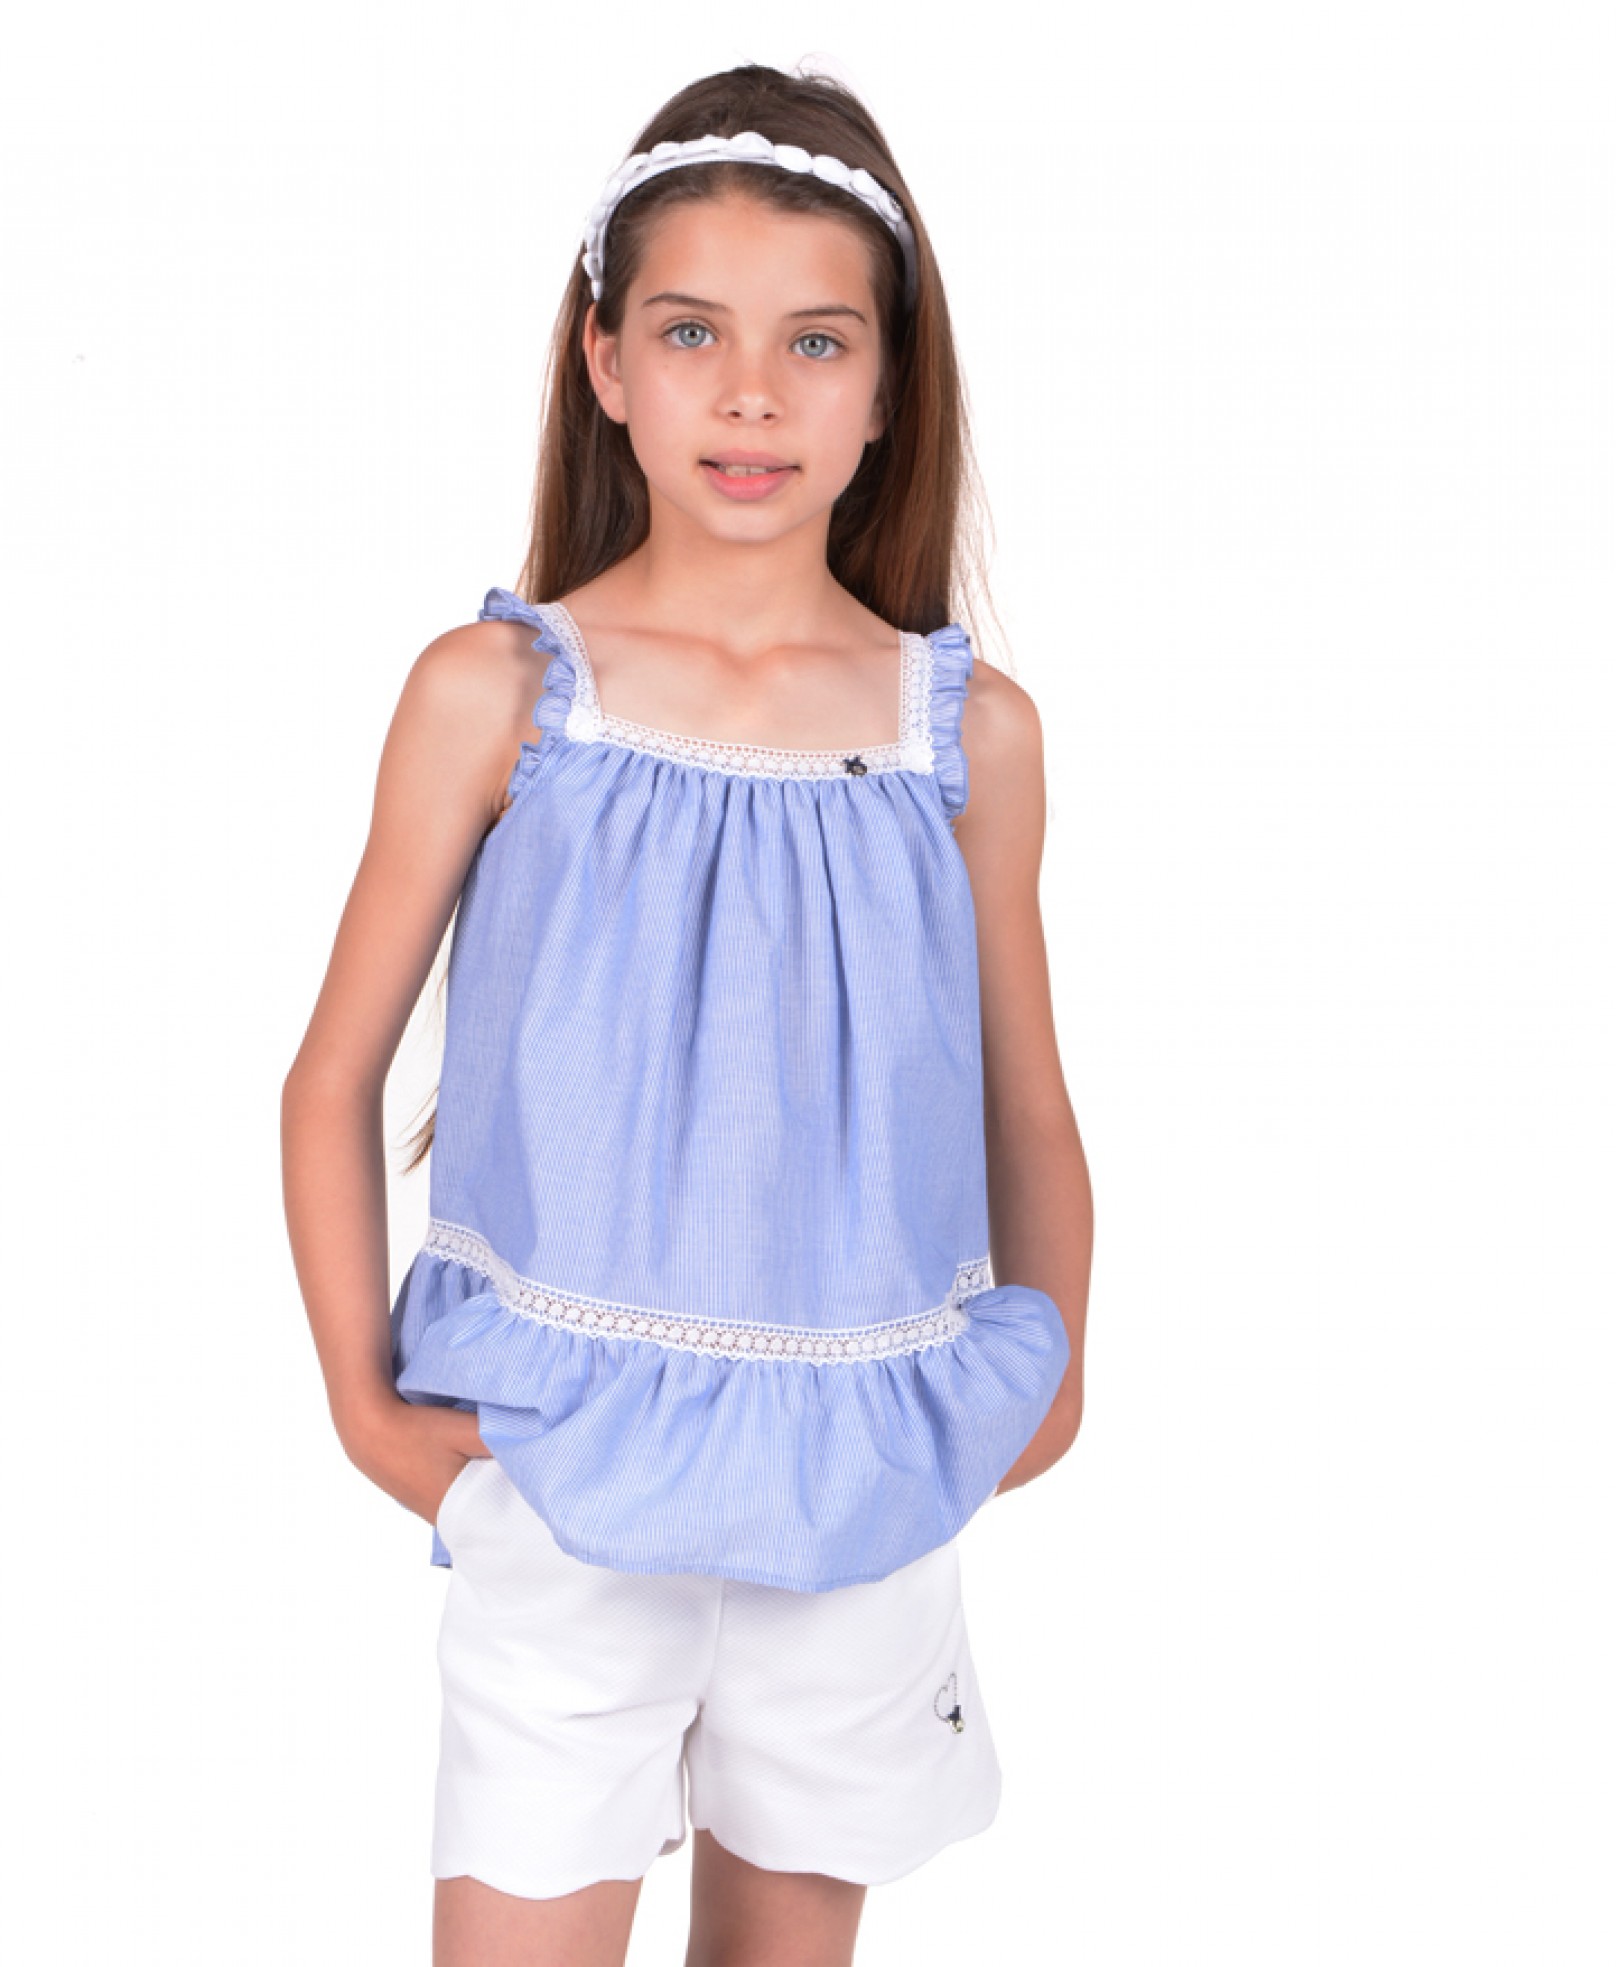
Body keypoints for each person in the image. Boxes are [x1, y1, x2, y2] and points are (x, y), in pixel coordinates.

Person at [280, 60, 1093, 1967]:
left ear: (888, 389)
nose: (750, 394)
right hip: (562, 1468)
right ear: (605, 362)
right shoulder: (498, 694)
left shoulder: (965, 736)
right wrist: (363, 1408)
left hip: (861, 1478)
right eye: (691, 331)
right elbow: (333, 1076)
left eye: (815, 341)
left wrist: (1050, 1381)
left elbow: (1028, 1102)